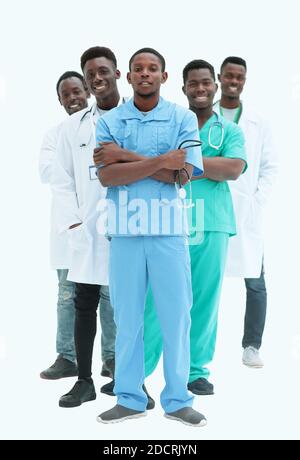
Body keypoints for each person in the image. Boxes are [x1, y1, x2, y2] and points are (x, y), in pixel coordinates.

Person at [94, 48, 207, 426]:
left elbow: (185, 174)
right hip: (125, 234)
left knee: (176, 317)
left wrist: (124, 158)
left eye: (152, 69)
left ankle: (177, 400)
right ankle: (129, 397)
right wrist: (161, 160)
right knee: (127, 318)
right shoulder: (111, 120)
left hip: (168, 233)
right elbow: (107, 176)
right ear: (128, 77)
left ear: (164, 76)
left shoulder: (181, 117)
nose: (145, 74)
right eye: (138, 69)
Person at [142, 59, 247, 395]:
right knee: (156, 298)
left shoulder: (229, 131)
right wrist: (199, 164)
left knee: (203, 299)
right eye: (193, 84)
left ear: (215, 85)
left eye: (206, 83)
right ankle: (138, 369)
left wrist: (185, 163)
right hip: (168, 220)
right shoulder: (170, 126)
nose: (200, 89)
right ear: (183, 87)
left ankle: (196, 370)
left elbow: (233, 168)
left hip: (212, 222)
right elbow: (153, 165)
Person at [52, 47, 122, 408]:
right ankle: (84, 381)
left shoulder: (137, 116)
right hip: (89, 229)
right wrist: (75, 220)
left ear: (117, 73)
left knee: (128, 306)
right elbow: (62, 179)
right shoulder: (73, 127)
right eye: (90, 73)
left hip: (130, 226)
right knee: (84, 304)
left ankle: (128, 379)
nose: (97, 78)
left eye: (103, 71)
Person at [215, 56, 278, 367]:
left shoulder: (257, 121)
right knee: (203, 279)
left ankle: (251, 345)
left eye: (239, 77)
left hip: (246, 211)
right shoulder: (203, 114)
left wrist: (258, 201)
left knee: (255, 280)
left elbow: (269, 166)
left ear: (245, 80)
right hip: (212, 208)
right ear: (219, 77)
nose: (233, 81)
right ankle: (199, 341)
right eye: (229, 75)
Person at [39, 71, 90, 379]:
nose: (73, 98)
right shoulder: (54, 134)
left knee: (108, 295)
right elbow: (47, 172)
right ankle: (66, 356)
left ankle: (110, 357)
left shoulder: (104, 125)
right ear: (60, 101)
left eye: (77, 91)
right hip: (67, 231)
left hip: (101, 226)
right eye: (66, 95)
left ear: (87, 90)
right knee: (67, 294)